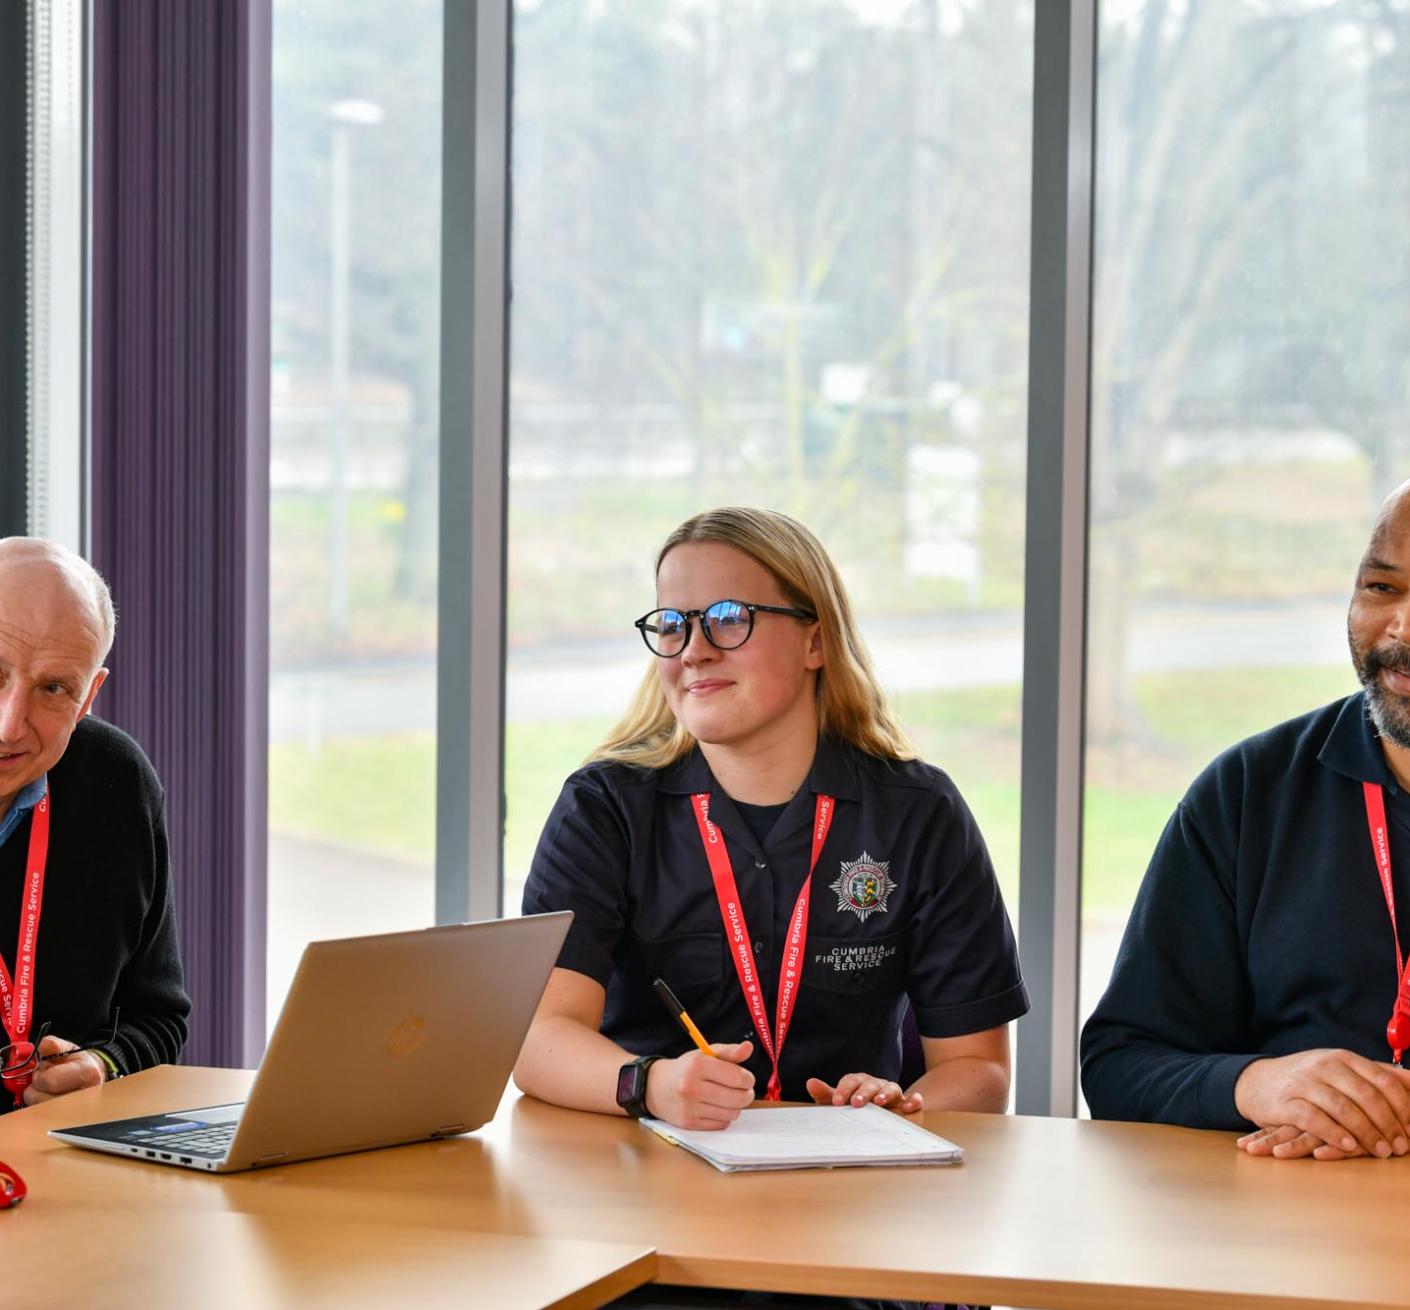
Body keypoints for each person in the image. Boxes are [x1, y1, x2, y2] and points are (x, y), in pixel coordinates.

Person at [515, 507, 1027, 1134]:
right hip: (646, 1163)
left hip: (848, 1184)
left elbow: (978, 1067)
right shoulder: (603, 808)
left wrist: (902, 1113)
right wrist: (650, 1083)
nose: (695, 651)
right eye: (673, 625)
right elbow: (539, 1038)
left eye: (730, 619)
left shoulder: (920, 813)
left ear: (815, 640)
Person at [1081, 479, 1410, 1161]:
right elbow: (1119, 1063)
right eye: (1381, 588)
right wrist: (1254, 1085)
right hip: (1292, 1236)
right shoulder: (1248, 791)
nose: (1400, 627)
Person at [0, 537, 189, 1111]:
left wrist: (100, 1066)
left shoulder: (115, 782)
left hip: (60, 1172)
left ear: (88, 699)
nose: (10, 725)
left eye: (53, 689)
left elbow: (157, 1019)